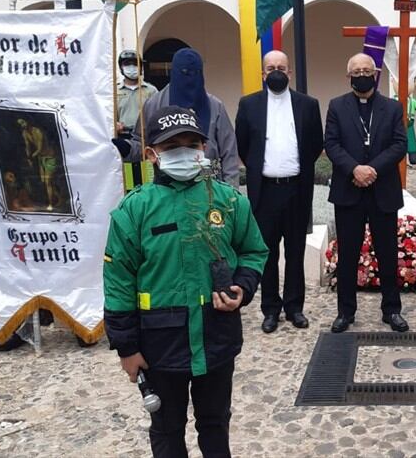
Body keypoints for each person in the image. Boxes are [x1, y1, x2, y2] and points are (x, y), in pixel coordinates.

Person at [103, 106, 268, 457]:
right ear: (151, 155)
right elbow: (118, 280)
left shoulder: (227, 201)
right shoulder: (134, 210)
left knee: (215, 424)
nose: (184, 151)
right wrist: (126, 348)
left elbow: (254, 251)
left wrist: (243, 287)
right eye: (172, 146)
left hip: (217, 338)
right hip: (160, 344)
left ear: (203, 150)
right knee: (166, 430)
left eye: (192, 143)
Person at [235, 50, 324, 334]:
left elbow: (315, 145)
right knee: (267, 253)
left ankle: (294, 307)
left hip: (296, 188)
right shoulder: (248, 105)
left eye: (281, 67)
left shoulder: (308, 105)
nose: (276, 71)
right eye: (270, 67)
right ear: (263, 73)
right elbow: (243, 145)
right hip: (265, 191)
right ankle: (270, 309)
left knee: (295, 251)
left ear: (290, 73)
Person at [324, 53, 409, 333]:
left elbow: (399, 144)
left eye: (366, 69)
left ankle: (391, 310)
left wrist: (371, 169)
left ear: (375, 73)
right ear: (348, 77)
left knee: (387, 253)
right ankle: (345, 313)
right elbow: (332, 144)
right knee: (348, 254)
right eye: (356, 71)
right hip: (349, 191)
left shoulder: (392, 107)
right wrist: (354, 170)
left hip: (382, 189)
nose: (362, 74)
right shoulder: (337, 106)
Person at [113, 48, 241, 186]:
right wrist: (125, 148)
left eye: (195, 73)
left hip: (208, 183)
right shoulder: (154, 104)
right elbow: (141, 145)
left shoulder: (215, 106)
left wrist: (231, 191)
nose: (189, 79)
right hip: (167, 185)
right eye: (184, 73)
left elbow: (229, 152)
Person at [114, 49, 158, 137]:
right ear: (121, 68)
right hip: (122, 136)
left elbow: (158, 113)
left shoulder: (151, 90)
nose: (131, 67)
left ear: (141, 67)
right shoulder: (114, 91)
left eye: (135, 64)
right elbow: (107, 115)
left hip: (146, 136)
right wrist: (115, 124)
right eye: (127, 64)